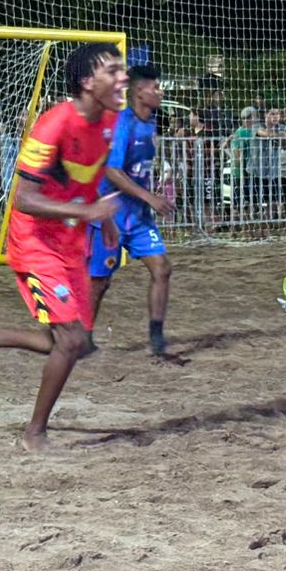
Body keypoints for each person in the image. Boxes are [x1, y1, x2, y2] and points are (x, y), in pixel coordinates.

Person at [0, 44, 126, 451]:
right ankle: (34, 433)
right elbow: (24, 198)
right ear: (88, 82)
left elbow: (92, 173)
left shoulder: (108, 122)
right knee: (70, 341)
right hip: (34, 240)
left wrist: (103, 219)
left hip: (71, 240)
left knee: (75, 343)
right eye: (114, 71)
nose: (124, 77)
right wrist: (88, 212)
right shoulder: (53, 125)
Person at [88, 63, 175, 357]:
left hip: (138, 218)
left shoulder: (151, 124)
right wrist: (150, 197)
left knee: (162, 269)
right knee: (100, 282)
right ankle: (82, 337)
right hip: (110, 217)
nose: (160, 92)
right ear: (139, 92)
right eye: (155, 88)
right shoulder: (122, 124)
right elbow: (111, 170)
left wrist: (150, 197)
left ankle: (157, 338)